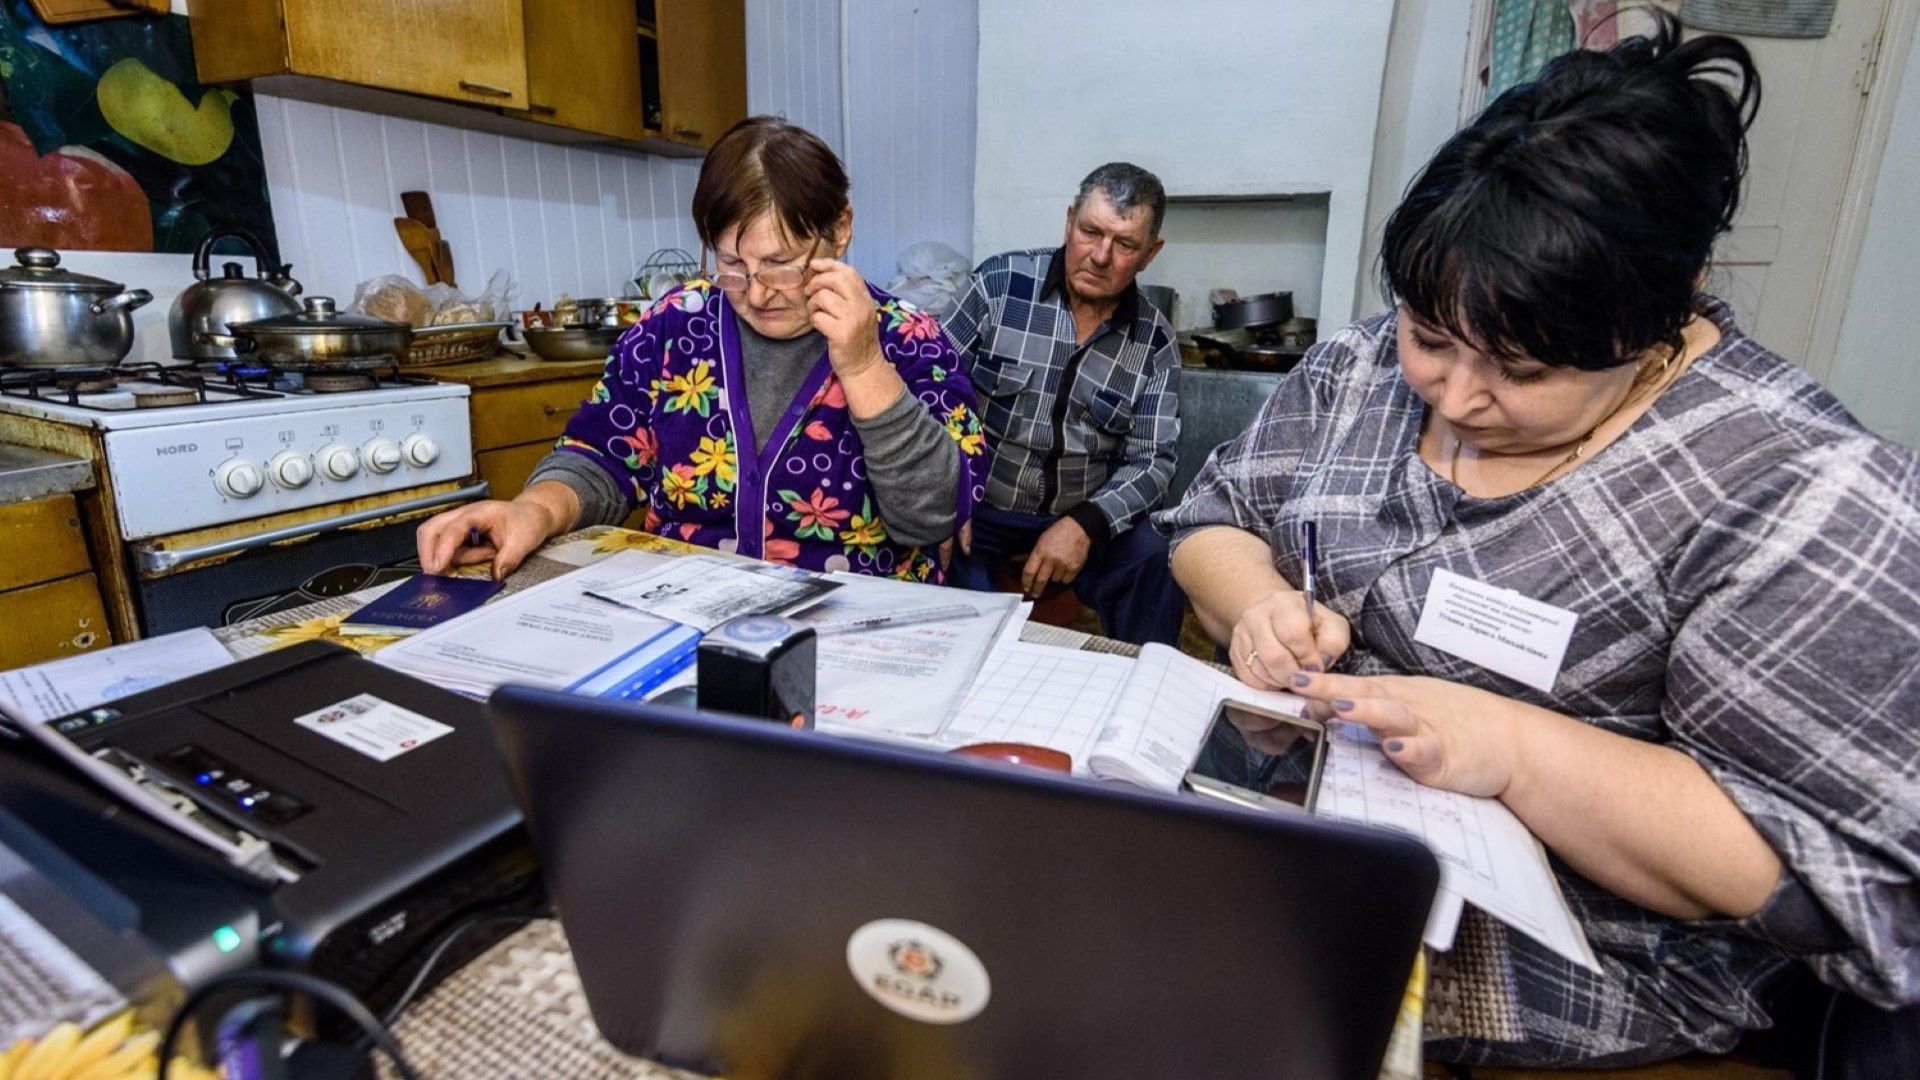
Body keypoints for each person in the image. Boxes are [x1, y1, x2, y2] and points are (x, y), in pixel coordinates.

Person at [1157, 17, 1919, 1069]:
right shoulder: (1363, 366)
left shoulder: (1796, 489)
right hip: (1309, 835)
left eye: (1521, 370)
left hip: (1566, 954)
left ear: (1667, 306)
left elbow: (1832, 879)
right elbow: (1211, 520)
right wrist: (1255, 605)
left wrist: (1511, 749)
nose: (1458, 394)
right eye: (1431, 338)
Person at [417, 117, 987, 582]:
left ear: (840, 230)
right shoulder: (675, 326)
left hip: (858, 630)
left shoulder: (908, 338)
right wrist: (533, 509)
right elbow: (602, 453)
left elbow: (931, 518)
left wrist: (863, 366)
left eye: (782, 262)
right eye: (732, 264)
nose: (758, 292)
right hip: (689, 614)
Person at [942, 163, 1185, 646]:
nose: (1100, 256)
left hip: (1079, 515)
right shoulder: (997, 286)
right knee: (964, 617)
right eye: (1090, 231)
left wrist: (1086, 524)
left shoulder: (1154, 341)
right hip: (977, 508)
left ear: (1150, 253)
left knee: (1156, 555)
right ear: (1069, 221)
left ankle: (1142, 697)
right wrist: (942, 496)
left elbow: (1153, 460)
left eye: (1125, 244)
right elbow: (929, 391)